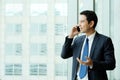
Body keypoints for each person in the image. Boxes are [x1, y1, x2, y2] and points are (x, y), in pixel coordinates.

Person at [61, 10, 116, 80]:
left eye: (82, 21)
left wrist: (92, 64)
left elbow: (111, 64)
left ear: (91, 23)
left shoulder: (105, 41)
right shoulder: (78, 40)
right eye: (79, 22)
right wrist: (70, 37)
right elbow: (64, 55)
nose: (79, 25)